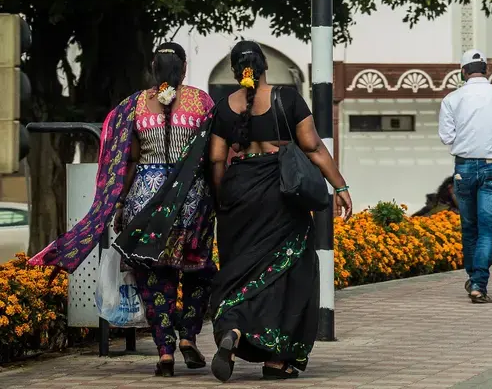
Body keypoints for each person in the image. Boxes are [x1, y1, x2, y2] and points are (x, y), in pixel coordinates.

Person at [31, 42, 216, 377]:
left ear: (153, 68)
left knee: (153, 276)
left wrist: (116, 204)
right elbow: (214, 153)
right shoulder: (202, 102)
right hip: (191, 201)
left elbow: (126, 161)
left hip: (144, 201)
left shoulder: (134, 106)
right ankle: (188, 336)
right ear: (184, 68)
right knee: (197, 270)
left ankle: (164, 351)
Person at [207, 41, 353, 382]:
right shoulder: (287, 98)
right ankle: (276, 359)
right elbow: (313, 146)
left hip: (239, 191)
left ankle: (235, 329)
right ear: (264, 67)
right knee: (291, 272)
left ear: (234, 70)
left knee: (240, 270)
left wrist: (222, 200)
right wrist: (340, 186)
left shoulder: (224, 107)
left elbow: (216, 159)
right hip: (282, 193)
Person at [438, 48, 492, 304]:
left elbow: (446, 137)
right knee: (487, 229)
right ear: (487, 70)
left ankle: (474, 278)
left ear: (463, 72)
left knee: (469, 228)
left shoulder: (452, 99)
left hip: (463, 168)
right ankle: (478, 284)